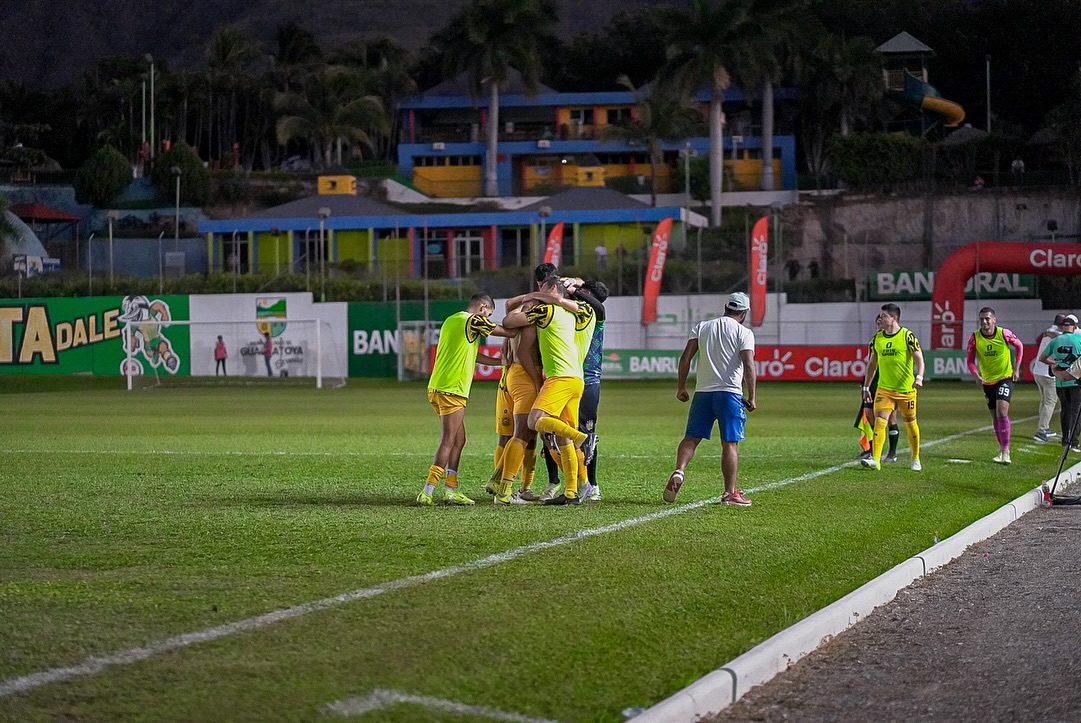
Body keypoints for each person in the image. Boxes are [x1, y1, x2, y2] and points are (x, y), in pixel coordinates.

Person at [501, 276, 592, 505]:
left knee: (534, 422)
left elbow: (509, 321)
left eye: (541, 288)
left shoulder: (545, 312)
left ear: (551, 288)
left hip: (559, 377)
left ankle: (582, 437)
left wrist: (530, 298)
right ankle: (571, 492)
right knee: (562, 436)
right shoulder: (577, 312)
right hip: (577, 379)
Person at [417, 293, 513, 506]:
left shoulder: (452, 320)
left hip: (436, 387)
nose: (487, 319)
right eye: (488, 314)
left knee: (459, 440)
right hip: (452, 389)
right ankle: (427, 491)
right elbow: (505, 331)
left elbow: (474, 355)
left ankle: (451, 489)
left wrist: (501, 363)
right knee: (448, 440)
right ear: (482, 307)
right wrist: (522, 326)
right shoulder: (473, 320)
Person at [663, 291, 757, 506]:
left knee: (691, 437)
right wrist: (752, 396)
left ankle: (679, 470)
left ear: (726, 307)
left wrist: (681, 387)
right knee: (729, 444)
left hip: (703, 392)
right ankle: (729, 493)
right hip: (730, 393)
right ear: (743, 313)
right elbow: (749, 365)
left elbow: (686, 357)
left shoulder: (703, 327)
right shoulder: (744, 332)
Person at [860, 303, 924, 472]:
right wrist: (866, 387)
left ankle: (915, 457)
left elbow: (919, 358)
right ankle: (876, 459)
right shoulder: (877, 339)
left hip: (905, 390)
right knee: (880, 421)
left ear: (893, 318)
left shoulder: (907, 336)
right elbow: (872, 365)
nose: (881, 318)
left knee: (910, 423)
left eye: (884, 316)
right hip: (884, 389)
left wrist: (919, 376)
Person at [966, 307, 1024, 464]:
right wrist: (976, 375)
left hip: (1005, 377)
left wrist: (1016, 368)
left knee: (1001, 411)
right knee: (994, 416)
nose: (985, 322)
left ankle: (1006, 451)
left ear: (994, 320)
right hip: (987, 381)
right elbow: (970, 360)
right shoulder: (975, 338)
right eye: (982, 319)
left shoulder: (1003, 333)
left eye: (987, 319)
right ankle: (1001, 450)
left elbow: (1019, 346)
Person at [855, 314, 899, 463]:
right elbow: (871, 365)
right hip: (873, 384)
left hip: (889, 384)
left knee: (891, 418)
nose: (880, 323)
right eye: (878, 322)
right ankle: (873, 451)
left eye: (882, 320)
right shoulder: (875, 341)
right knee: (870, 415)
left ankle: (892, 453)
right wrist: (865, 384)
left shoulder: (896, 339)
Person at [1041, 314, 1081, 454]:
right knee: (1076, 412)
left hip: (1060, 381)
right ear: (1074, 327)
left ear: (1063, 327)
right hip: (1076, 380)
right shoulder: (1079, 339)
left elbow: (1042, 358)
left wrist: (1055, 364)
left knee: (1065, 410)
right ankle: (1074, 443)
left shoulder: (1056, 340)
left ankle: (1065, 440)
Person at [1031, 315, 1064, 443]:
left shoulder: (1049, 332)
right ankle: (1042, 430)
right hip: (1047, 373)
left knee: (1044, 401)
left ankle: (1045, 427)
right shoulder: (1058, 335)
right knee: (1050, 402)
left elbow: (1050, 333)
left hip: (1038, 372)